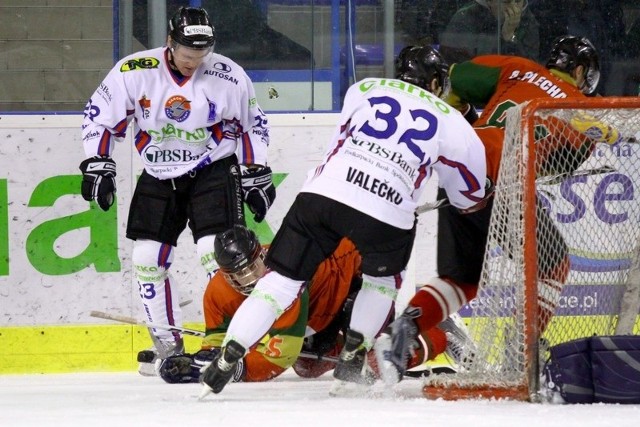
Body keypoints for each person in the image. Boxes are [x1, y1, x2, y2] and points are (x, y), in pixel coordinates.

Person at [198, 45, 489, 397]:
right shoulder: (453, 120)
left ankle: (229, 356)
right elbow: (468, 198)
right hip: (388, 215)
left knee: (278, 284)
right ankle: (353, 351)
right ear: (436, 81)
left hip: (323, 196)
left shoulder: (363, 89)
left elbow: (338, 144)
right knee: (380, 285)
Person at [377, 36, 619, 383]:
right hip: (500, 183)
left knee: (462, 279)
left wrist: (464, 118)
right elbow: (559, 161)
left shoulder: (517, 68)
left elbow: (454, 81)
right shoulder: (582, 108)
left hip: (459, 170)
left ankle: (405, 329)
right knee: (554, 264)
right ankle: (521, 354)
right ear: (580, 71)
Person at [78, 7, 275, 375]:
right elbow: (99, 116)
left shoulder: (227, 74)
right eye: (187, 57)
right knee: (147, 259)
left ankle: (234, 343)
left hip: (213, 167)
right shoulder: (133, 72)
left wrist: (256, 171)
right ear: (169, 43)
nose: (193, 64)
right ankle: (169, 349)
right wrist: (97, 161)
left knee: (215, 253)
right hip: (158, 172)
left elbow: (253, 124)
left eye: (200, 56)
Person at [440, 0, 540, 63]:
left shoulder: (528, 20)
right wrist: (503, 39)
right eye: (506, 2)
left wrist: (509, 37)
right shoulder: (466, 18)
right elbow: (459, 66)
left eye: (518, 1)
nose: (515, 9)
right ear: (490, 1)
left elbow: (530, 68)